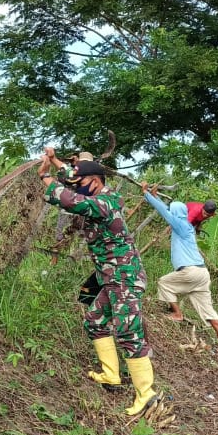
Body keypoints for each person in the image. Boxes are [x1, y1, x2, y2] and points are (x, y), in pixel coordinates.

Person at [40, 149, 161, 417]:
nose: (79, 188)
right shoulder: (92, 192)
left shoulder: (105, 203)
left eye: (82, 185)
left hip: (124, 278)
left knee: (128, 332)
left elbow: (69, 200)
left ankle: (147, 393)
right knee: (94, 321)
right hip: (110, 279)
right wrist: (53, 160)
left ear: (95, 181)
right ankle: (110, 375)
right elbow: (73, 178)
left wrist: (45, 178)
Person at [141, 184, 218, 352]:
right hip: (202, 273)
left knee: (164, 283)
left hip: (191, 271)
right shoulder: (187, 227)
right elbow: (167, 210)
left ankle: (177, 314)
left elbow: (164, 212)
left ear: (177, 214)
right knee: (207, 309)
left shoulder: (182, 225)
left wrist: (147, 194)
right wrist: (155, 196)